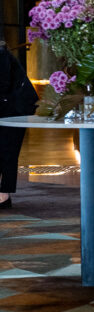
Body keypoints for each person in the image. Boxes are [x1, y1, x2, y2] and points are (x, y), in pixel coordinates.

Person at [0, 45, 39, 209]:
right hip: (6, 104)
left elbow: (3, 84)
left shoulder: (1, 55)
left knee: (7, 149)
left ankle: (3, 195)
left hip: (16, 107)